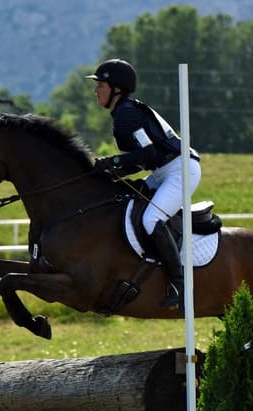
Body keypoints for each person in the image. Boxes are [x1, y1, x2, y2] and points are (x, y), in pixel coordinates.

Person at [86, 58, 201, 312]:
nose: (96, 90)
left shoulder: (126, 114)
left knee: (151, 219)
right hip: (163, 170)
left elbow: (146, 154)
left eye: (100, 85)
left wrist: (114, 162)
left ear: (116, 89)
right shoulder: (123, 111)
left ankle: (179, 285)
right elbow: (142, 160)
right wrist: (111, 173)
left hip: (180, 170)